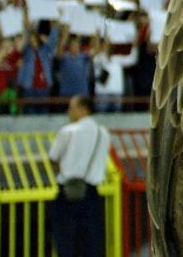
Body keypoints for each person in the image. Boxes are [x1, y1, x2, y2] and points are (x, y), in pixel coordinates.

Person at [48, 94, 109, 257]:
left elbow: (53, 157)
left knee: (66, 242)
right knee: (91, 243)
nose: (69, 111)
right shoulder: (102, 133)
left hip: (68, 192)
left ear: (83, 109)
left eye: (71, 107)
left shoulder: (68, 131)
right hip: (93, 193)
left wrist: (65, 169)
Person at [92, 34, 138, 112]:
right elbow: (103, 56)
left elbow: (132, 59)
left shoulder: (117, 59)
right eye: (106, 46)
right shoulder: (98, 59)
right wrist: (105, 41)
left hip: (117, 93)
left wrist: (135, 46)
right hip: (103, 93)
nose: (108, 48)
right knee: (101, 116)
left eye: (110, 46)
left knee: (117, 117)